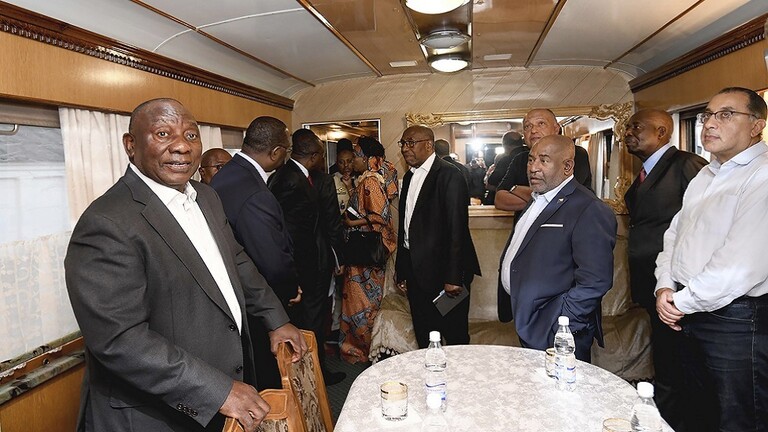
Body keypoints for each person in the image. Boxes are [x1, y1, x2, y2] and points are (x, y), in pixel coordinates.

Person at [64, 99, 306, 432]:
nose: (182, 146)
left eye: (191, 135)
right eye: (163, 134)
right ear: (130, 145)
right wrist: (216, 390)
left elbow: (236, 260)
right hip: (157, 414)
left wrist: (275, 317)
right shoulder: (106, 222)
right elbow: (120, 339)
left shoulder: (206, 197)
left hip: (225, 388)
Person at [654, 87, 768, 432]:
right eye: (707, 115)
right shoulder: (705, 175)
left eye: (726, 114)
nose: (709, 124)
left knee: (737, 419)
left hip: (735, 320)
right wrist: (665, 286)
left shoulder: (762, 175)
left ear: (757, 125)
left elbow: (740, 264)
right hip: (688, 309)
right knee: (695, 412)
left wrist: (680, 301)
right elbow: (675, 235)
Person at [497, 134, 616, 362]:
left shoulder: (588, 208)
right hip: (528, 320)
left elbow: (596, 280)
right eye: (531, 160)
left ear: (567, 166)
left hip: (555, 328)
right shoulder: (538, 199)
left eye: (544, 160)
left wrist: (562, 322)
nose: (533, 168)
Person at [622, 109, 707, 429]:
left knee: (679, 364)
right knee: (667, 360)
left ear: (661, 132)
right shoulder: (645, 173)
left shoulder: (688, 166)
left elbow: (702, 226)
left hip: (678, 287)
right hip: (653, 283)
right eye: (628, 127)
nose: (628, 133)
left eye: (636, 127)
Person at [210, 116, 303, 390]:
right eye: (286, 150)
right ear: (276, 152)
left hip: (233, 297)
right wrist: (289, 291)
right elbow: (271, 261)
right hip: (256, 303)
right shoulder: (254, 193)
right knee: (267, 379)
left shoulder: (227, 174)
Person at [268, 128, 346, 385]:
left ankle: (313, 373)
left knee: (308, 320)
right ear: (314, 156)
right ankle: (314, 377)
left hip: (303, 265)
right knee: (312, 322)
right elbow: (293, 232)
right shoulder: (291, 181)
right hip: (307, 267)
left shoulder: (284, 175)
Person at [395, 125, 481, 348]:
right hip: (416, 272)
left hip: (445, 273)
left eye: (410, 143)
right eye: (403, 143)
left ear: (429, 145)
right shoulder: (409, 176)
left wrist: (453, 277)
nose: (405, 149)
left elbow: (456, 228)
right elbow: (405, 227)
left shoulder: (450, 175)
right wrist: (402, 270)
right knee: (425, 334)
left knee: (454, 338)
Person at [339, 137, 398, 363]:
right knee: (365, 301)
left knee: (361, 303)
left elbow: (380, 217)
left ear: (367, 158)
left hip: (365, 251)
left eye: (356, 155)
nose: (353, 160)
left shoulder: (370, 181)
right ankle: (367, 347)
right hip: (366, 250)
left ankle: (364, 349)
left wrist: (351, 223)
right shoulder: (370, 177)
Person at [494, 108, 592, 212]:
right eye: (528, 126)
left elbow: (561, 197)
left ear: (556, 129)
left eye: (541, 124)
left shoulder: (575, 154)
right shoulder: (520, 159)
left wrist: (516, 189)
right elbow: (499, 199)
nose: (533, 130)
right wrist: (544, 200)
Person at [485, 131, 525, 204]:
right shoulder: (531, 156)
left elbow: (490, 184)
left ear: (504, 145)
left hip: (508, 202)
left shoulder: (506, 161)